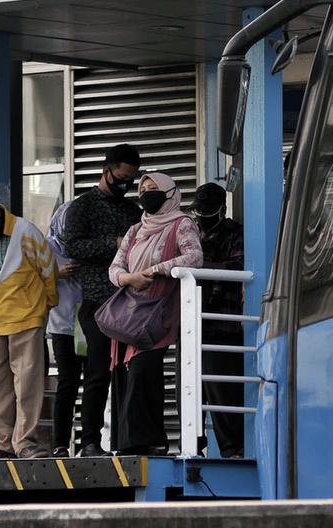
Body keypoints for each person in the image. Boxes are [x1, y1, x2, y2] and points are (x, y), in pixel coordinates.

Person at [108, 173, 203, 455]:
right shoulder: (135, 230)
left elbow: (195, 258)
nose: (147, 194)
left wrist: (155, 270)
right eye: (143, 189)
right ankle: (130, 442)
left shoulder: (182, 223)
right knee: (126, 373)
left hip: (160, 309)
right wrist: (130, 278)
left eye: (154, 188)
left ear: (170, 192)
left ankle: (148, 440)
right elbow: (115, 268)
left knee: (143, 369)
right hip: (131, 310)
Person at [59, 143, 142, 457]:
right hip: (96, 302)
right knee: (97, 372)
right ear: (106, 171)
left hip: (130, 302)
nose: (125, 185)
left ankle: (127, 440)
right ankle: (90, 442)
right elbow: (73, 247)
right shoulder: (82, 207)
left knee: (129, 373)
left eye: (130, 180)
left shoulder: (132, 210)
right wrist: (114, 243)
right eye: (121, 178)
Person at [0, 196, 58, 460]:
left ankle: (25, 442)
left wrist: (46, 305)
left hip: (27, 317)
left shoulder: (25, 232)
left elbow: (48, 270)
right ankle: (3, 444)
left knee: (27, 384)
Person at [190, 182, 246, 458]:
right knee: (190, 391)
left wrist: (199, 266)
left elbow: (237, 266)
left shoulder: (235, 232)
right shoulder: (189, 232)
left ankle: (232, 449)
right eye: (199, 210)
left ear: (222, 209)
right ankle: (193, 446)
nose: (202, 216)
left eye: (208, 210)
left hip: (222, 322)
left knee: (223, 391)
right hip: (190, 320)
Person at [46, 200, 83, 457]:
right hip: (61, 324)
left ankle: (91, 441)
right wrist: (56, 273)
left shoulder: (87, 243)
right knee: (67, 382)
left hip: (90, 321)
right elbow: (27, 276)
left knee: (95, 381)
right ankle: (60, 444)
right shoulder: (46, 247)